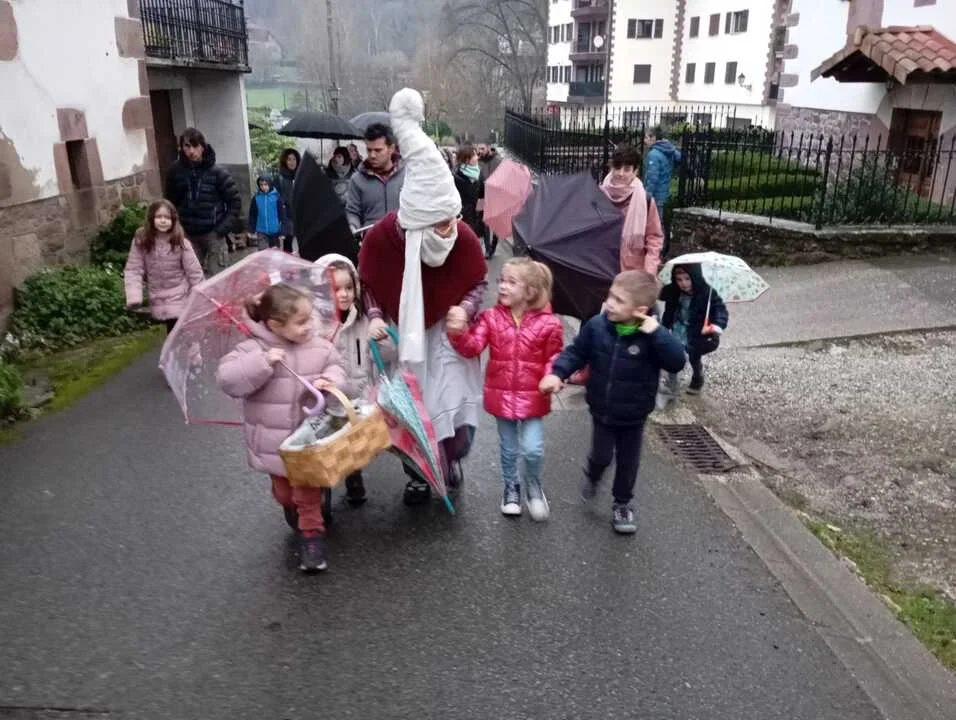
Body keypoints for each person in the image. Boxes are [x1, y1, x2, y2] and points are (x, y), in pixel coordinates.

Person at [359, 88, 488, 506]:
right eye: (439, 224)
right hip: (405, 335)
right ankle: (417, 472)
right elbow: (370, 283)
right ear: (416, 224)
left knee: (452, 406)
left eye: (451, 220)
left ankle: (451, 458)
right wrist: (374, 316)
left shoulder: (462, 236)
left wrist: (465, 308)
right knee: (410, 408)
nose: (449, 230)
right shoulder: (384, 239)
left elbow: (477, 281)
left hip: (448, 338)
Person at [539, 270, 685, 534]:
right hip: (602, 409)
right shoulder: (597, 326)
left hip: (634, 414)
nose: (610, 304)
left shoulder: (651, 336)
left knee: (628, 462)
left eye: (619, 300)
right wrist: (557, 373)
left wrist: (657, 333)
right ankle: (593, 475)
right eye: (610, 296)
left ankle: (622, 503)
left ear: (640, 310)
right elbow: (576, 353)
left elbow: (676, 361)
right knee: (601, 456)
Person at [216, 283, 348, 573]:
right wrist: (262, 362)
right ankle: (298, 507)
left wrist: (330, 380)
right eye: (301, 322)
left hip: (308, 439)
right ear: (275, 324)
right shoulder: (252, 348)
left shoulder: (319, 346)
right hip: (274, 443)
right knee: (286, 495)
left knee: (306, 494)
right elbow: (228, 380)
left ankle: (312, 539)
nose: (309, 326)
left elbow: (337, 366)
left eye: (310, 318)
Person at [446, 258, 563, 520]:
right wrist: (458, 332)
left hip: (534, 397)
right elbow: (472, 347)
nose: (502, 286)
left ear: (530, 291)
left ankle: (534, 485)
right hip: (501, 396)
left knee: (533, 448)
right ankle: (511, 486)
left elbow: (554, 356)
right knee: (509, 448)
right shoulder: (491, 318)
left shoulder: (550, 324)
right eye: (501, 280)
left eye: (511, 282)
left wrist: (553, 375)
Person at [312, 253, 397, 505]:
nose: (344, 294)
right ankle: (326, 487)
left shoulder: (363, 320)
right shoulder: (316, 326)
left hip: (361, 395)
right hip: (330, 397)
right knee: (328, 442)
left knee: (354, 441)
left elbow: (388, 355)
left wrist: (381, 337)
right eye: (335, 289)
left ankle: (354, 474)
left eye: (349, 288)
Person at [164, 127, 241, 274]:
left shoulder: (218, 173)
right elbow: (170, 203)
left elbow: (235, 203)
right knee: (190, 278)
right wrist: (176, 228)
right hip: (188, 235)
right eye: (187, 146)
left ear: (203, 147)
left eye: (195, 146)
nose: (191, 151)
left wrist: (221, 229)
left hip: (213, 234)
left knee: (218, 279)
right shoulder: (175, 171)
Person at [124, 199, 204, 334]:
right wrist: (134, 296)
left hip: (180, 294)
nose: (163, 221)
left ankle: (186, 348)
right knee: (173, 334)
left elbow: (194, 271)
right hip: (158, 296)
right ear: (151, 218)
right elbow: (134, 269)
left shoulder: (180, 242)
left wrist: (201, 295)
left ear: (173, 220)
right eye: (159, 217)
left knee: (178, 333)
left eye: (167, 217)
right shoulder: (142, 241)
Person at [659, 263, 728, 395]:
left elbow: (720, 310)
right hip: (678, 328)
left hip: (696, 332)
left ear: (695, 277)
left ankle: (697, 376)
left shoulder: (707, 293)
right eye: (679, 279)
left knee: (694, 357)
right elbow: (661, 295)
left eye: (687, 278)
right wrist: (654, 285)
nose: (683, 283)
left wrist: (715, 326)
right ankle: (672, 383)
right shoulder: (674, 290)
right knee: (672, 354)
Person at [600, 144, 664, 274]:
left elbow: (654, 237)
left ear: (635, 171)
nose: (621, 173)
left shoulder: (645, 200)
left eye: (627, 169)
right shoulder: (598, 196)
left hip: (631, 271)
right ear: (611, 167)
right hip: (601, 266)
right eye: (617, 167)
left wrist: (649, 270)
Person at [345, 123, 406, 234]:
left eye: (378, 150)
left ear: (391, 149)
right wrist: (352, 225)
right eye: (369, 150)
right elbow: (352, 211)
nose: (372, 155)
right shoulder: (357, 180)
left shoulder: (408, 176)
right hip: (371, 240)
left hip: (403, 241)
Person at [644, 127, 682, 257]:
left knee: (655, 223)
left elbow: (652, 178)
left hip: (656, 194)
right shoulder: (668, 149)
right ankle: (662, 247)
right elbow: (679, 157)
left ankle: (658, 250)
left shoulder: (653, 154)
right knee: (660, 222)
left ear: (653, 138)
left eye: (646, 137)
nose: (645, 141)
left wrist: (647, 196)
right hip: (665, 191)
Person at [453, 145, 486, 243]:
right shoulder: (456, 178)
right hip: (463, 220)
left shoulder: (479, 173)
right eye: (474, 155)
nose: (477, 157)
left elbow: (481, 196)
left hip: (476, 219)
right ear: (467, 160)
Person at [477, 142, 503, 258]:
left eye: (482, 148)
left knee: (496, 223)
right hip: (483, 194)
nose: (480, 151)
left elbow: (504, 178)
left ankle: (494, 244)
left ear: (488, 148)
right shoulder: (478, 161)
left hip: (496, 195)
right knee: (484, 222)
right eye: (479, 149)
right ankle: (487, 249)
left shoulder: (498, 161)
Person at [247, 175, 287, 251]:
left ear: (270, 184)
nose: (263, 187)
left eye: (265, 184)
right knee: (263, 252)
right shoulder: (256, 198)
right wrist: (250, 230)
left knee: (275, 254)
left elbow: (282, 215)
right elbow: (252, 215)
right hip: (261, 231)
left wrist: (283, 232)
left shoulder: (277, 197)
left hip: (275, 231)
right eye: (261, 185)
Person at [275, 148, 300, 251]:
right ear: (284, 161)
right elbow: (276, 197)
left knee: (303, 247)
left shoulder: (301, 175)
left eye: (294, 159)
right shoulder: (279, 178)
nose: (292, 162)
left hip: (301, 216)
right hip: (287, 216)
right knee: (288, 246)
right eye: (289, 159)